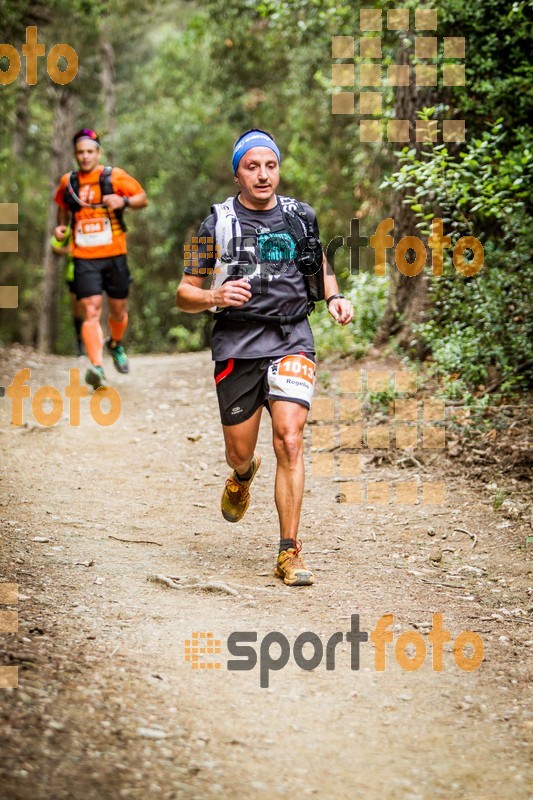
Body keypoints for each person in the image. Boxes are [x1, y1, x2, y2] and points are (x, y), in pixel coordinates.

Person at [176, 129, 354, 586]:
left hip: (292, 335)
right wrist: (214, 294)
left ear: (278, 168)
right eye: (252, 166)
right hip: (236, 343)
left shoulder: (300, 216)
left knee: (290, 439)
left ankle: (289, 552)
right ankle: (241, 476)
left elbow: (319, 267)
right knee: (241, 451)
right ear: (237, 173)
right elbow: (183, 293)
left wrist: (334, 297)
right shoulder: (213, 223)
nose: (262, 174)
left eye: (269, 165)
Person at [53, 128, 148, 389]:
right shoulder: (68, 182)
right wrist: (61, 228)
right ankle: (96, 367)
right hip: (84, 256)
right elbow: (62, 205)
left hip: (115, 254)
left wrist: (123, 201)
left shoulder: (113, 176)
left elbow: (142, 198)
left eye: (90, 151)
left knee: (118, 311)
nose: (85, 157)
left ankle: (115, 344)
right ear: (75, 154)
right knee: (91, 311)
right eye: (80, 152)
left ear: (98, 152)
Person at [49, 225, 84, 356]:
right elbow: (53, 245)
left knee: (91, 308)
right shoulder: (70, 230)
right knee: (77, 310)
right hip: (73, 274)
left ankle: (91, 343)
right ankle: (80, 344)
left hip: (92, 272)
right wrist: (67, 250)